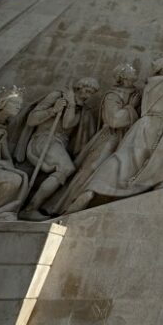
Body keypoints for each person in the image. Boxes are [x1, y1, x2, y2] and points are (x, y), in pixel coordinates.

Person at [65, 58, 163, 207]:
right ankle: (94, 189)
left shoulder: (149, 83)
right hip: (156, 123)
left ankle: (93, 190)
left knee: (127, 158)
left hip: (145, 124)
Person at [51, 64, 140, 214]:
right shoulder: (113, 95)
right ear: (123, 76)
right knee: (91, 168)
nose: (135, 70)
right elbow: (114, 121)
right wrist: (131, 107)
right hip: (110, 137)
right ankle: (65, 205)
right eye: (131, 69)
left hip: (127, 138)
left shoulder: (135, 93)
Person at [16, 76, 100, 215]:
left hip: (59, 143)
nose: (88, 94)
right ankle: (30, 209)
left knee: (66, 169)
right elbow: (32, 119)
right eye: (87, 89)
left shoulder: (82, 110)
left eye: (92, 92)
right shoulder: (57, 95)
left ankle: (31, 207)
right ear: (79, 87)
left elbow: (67, 123)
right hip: (44, 139)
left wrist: (72, 104)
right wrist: (53, 110)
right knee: (66, 168)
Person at [0, 85, 28, 219]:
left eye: (20, 104)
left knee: (15, 179)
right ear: (1, 103)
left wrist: (1, 162)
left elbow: (2, 158)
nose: (18, 107)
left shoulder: (2, 130)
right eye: (14, 103)